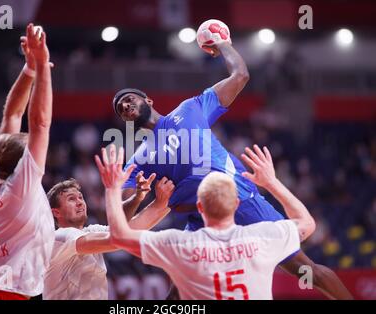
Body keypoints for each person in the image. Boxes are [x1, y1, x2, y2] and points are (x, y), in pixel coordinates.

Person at [112, 36, 352, 299]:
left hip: (239, 199)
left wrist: (222, 43)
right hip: (199, 217)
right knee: (178, 294)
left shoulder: (190, 108)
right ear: (126, 120)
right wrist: (138, 197)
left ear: (148, 99)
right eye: (121, 109)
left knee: (307, 271)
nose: (125, 105)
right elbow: (122, 219)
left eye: (129, 99)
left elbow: (240, 76)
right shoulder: (140, 157)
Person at [97, 145, 315, 299]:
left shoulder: (181, 244)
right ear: (237, 204)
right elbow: (306, 223)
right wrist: (272, 182)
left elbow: (118, 236)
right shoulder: (263, 237)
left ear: (199, 207)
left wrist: (112, 189)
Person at [0, 24, 54, 300]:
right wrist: (42, 67)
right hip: (6, 292)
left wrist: (28, 69)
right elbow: (39, 122)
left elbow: (12, 115)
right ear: (21, 164)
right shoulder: (20, 189)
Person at [43, 169, 174, 300]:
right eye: (71, 199)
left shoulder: (91, 231)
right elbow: (117, 238)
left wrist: (163, 199)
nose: (79, 202)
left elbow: (128, 227)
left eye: (80, 197)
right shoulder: (60, 237)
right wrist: (113, 191)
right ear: (56, 213)